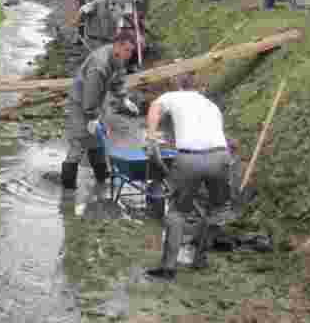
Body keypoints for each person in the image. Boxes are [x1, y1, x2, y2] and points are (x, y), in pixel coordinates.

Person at [144, 75, 233, 280]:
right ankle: (200, 259)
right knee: (218, 210)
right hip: (220, 156)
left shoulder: (172, 96)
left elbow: (155, 108)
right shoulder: (211, 105)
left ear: (178, 86)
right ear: (200, 88)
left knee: (177, 213)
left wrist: (151, 139)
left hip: (189, 159)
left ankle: (168, 268)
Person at [61, 30, 139, 190]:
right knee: (79, 143)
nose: (130, 54)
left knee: (98, 140)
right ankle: (68, 193)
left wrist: (123, 98)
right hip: (80, 102)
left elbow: (118, 78)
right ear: (117, 45)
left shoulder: (118, 57)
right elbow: (89, 95)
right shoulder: (99, 65)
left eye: (131, 50)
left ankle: (101, 181)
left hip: (97, 100)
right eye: (127, 50)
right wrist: (92, 117)